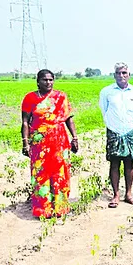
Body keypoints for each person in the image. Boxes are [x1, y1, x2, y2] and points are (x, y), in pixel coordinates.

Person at [21, 69, 79, 218]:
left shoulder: (61, 97)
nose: (48, 82)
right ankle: (42, 208)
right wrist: (25, 143)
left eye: (51, 80)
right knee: (40, 173)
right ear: (38, 81)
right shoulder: (30, 98)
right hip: (39, 143)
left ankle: (60, 206)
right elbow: (25, 122)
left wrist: (75, 137)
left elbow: (68, 119)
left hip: (59, 141)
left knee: (60, 172)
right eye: (45, 80)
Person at [99, 62, 133, 208]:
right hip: (114, 131)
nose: (121, 76)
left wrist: (131, 125)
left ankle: (129, 194)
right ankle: (116, 195)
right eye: (118, 73)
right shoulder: (107, 91)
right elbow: (104, 111)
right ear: (114, 75)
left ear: (129, 75)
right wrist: (114, 126)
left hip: (131, 132)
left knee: (129, 163)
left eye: (124, 73)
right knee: (114, 163)